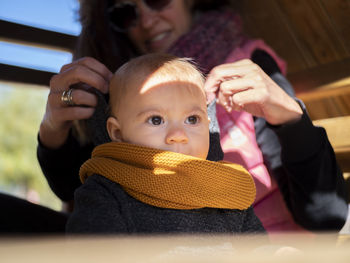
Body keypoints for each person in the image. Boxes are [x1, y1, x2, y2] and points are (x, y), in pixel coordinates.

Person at [37, 0, 348, 233]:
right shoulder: (115, 85)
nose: (146, 20)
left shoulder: (245, 67)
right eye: (126, 13)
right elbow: (78, 188)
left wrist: (291, 117)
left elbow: (326, 214)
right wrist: (53, 128)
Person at [66, 53, 265, 234]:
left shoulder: (226, 186)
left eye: (192, 119)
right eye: (156, 120)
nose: (178, 135)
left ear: (208, 125)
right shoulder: (107, 189)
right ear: (118, 133)